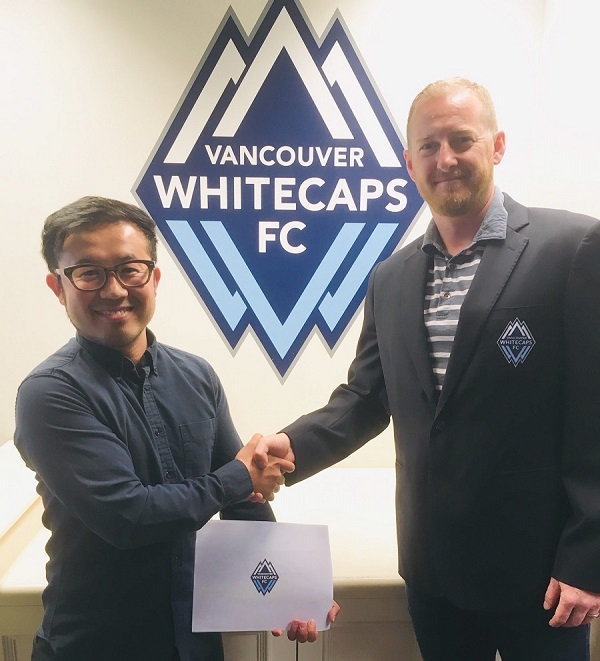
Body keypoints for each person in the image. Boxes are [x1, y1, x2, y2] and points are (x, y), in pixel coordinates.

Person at [253, 78, 600, 661]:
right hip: (433, 574)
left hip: (541, 577)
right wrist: (291, 447)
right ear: (409, 162)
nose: (446, 159)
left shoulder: (573, 247)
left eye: (462, 140)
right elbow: (365, 399)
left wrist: (588, 556)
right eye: (428, 146)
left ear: (497, 145)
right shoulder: (390, 278)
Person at [14, 196, 336, 661]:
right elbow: (130, 516)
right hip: (97, 643)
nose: (113, 290)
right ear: (58, 287)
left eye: (130, 269)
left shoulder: (196, 375)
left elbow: (244, 503)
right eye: (88, 273)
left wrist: (290, 591)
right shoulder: (49, 394)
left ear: (154, 278)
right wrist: (238, 477)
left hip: (195, 640)